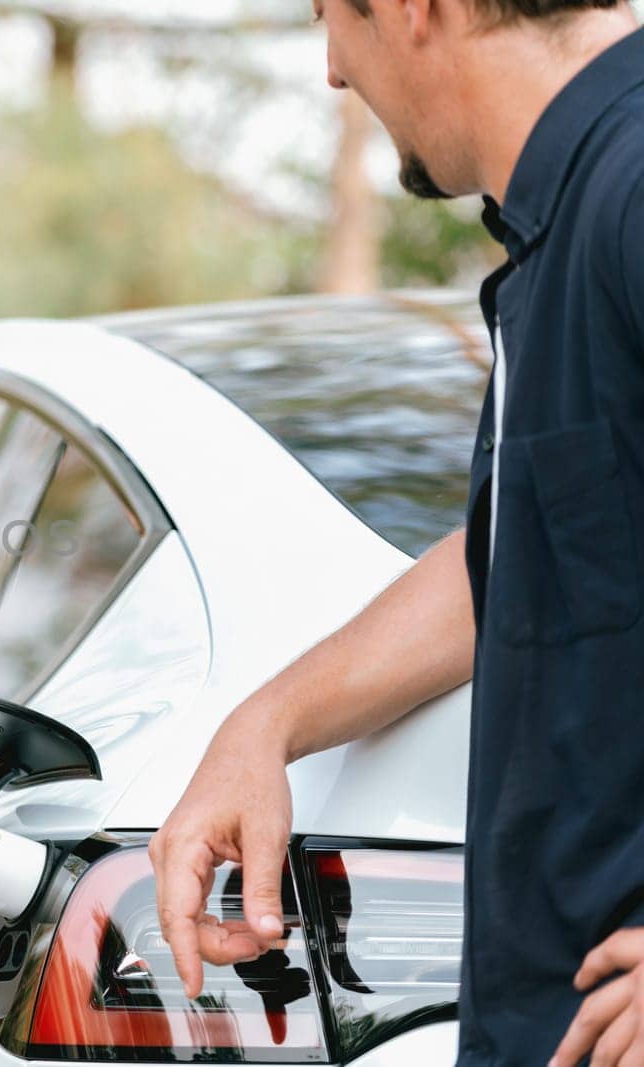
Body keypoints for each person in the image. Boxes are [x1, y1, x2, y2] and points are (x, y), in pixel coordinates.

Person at [150, 4, 644, 1064]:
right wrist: (268, 724)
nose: (332, 69)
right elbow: (529, 559)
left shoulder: (635, 186)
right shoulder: (568, 219)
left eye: (334, 17)